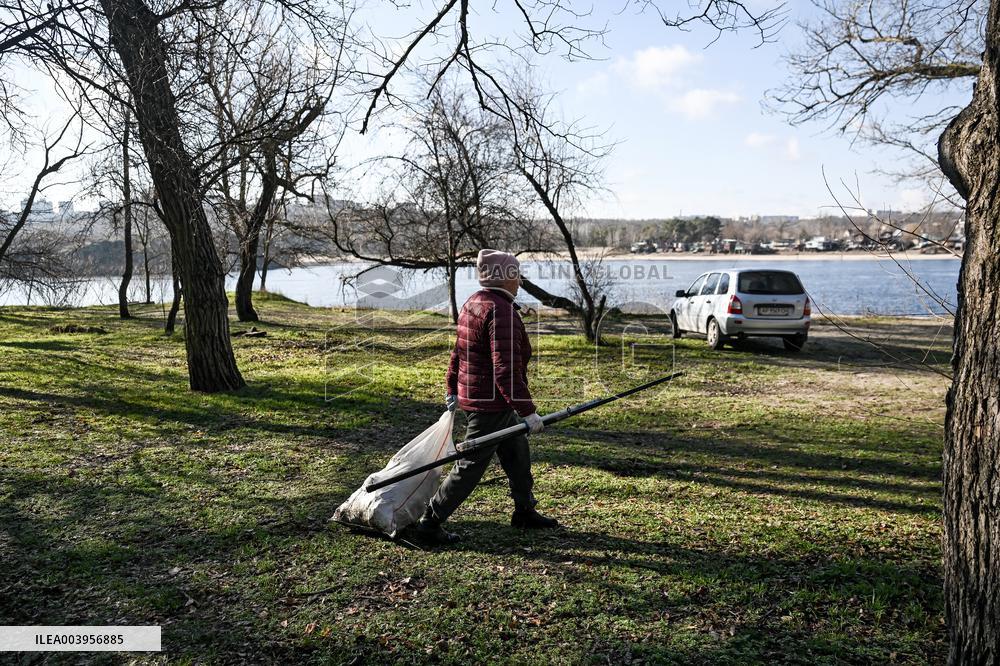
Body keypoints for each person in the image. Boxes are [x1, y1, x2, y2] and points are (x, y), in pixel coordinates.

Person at [413, 249, 559, 544]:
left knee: (517, 453)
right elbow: (505, 369)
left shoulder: (475, 302)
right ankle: (429, 522)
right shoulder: (500, 311)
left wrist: (451, 387)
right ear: (504, 278)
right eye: (516, 274)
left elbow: (458, 352)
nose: (519, 280)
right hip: (488, 402)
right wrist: (528, 412)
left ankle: (524, 511)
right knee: (470, 464)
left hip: (490, 398)